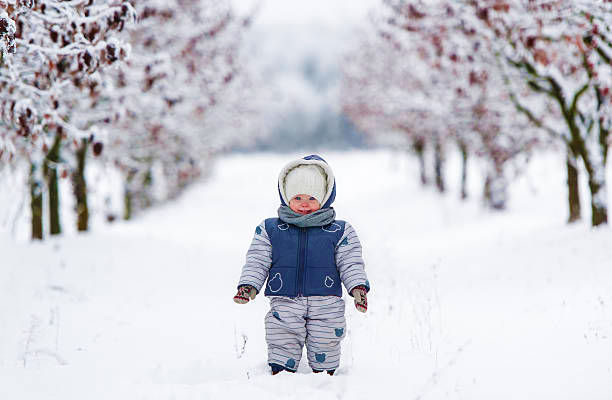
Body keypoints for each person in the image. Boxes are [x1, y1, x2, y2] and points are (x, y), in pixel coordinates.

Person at [233, 154, 370, 376]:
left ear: (325, 198)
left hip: (327, 303)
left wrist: (358, 288)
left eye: (312, 198)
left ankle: (326, 379)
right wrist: (248, 285)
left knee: (326, 340)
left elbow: (351, 261)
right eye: (297, 197)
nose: (304, 204)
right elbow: (257, 259)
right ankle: (280, 375)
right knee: (281, 336)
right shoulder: (270, 229)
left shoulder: (340, 231)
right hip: (285, 300)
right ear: (286, 197)